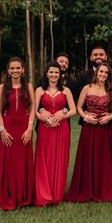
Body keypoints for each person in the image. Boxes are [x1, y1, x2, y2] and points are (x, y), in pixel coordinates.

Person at [66, 62, 112, 203]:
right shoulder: (87, 88)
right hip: (89, 127)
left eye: (106, 73)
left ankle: (103, 189)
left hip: (105, 128)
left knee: (103, 157)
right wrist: (85, 117)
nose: (103, 74)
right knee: (87, 156)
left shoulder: (111, 89)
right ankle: (86, 188)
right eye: (101, 72)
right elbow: (79, 107)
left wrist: (109, 117)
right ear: (96, 73)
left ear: (108, 76)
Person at [34, 61, 77, 206]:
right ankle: (44, 194)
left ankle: (57, 194)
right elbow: (34, 110)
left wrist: (62, 113)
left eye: (56, 72)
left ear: (60, 75)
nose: (53, 75)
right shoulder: (40, 90)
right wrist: (44, 117)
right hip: (45, 128)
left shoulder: (66, 91)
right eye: (51, 72)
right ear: (46, 73)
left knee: (60, 159)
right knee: (44, 160)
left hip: (61, 128)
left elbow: (73, 110)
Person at [0, 57, 36, 210]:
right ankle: (9, 196)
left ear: (23, 69)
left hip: (24, 128)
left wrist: (30, 128)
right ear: (8, 70)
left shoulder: (29, 86)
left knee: (23, 162)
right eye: (12, 68)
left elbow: (33, 107)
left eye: (18, 68)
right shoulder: (2, 88)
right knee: (9, 163)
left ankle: (24, 197)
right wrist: (2, 130)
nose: (15, 71)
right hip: (8, 128)